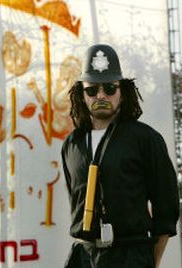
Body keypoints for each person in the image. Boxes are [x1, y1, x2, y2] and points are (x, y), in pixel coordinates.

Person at [61, 44, 180, 268]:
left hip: (131, 256)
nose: (101, 95)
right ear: (81, 94)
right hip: (83, 256)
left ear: (122, 92)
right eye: (92, 90)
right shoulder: (72, 144)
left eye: (109, 88)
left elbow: (167, 209)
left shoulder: (145, 138)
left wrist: (149, 262)